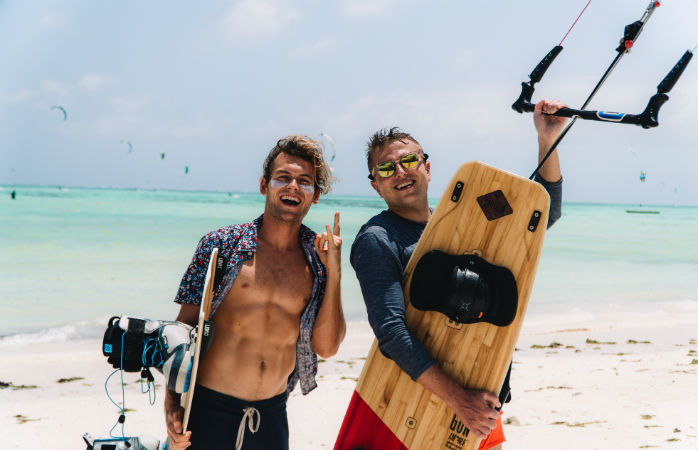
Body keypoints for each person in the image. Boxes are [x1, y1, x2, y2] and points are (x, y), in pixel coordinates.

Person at [350, 100, 566, 450]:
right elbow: (391, 332)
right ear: (376, 185)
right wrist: (459, 400)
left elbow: (543, 214)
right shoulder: (378, 239)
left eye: (408, 161)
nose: (401, 173)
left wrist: (547, 139)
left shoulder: (461, 224)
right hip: (412, 405)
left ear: (427, 167)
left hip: (480, 399)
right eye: (386, 169)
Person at [165, 135, 346, 450]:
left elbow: (327, 348)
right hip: (208, 410)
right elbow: (182, 330)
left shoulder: (316, 262)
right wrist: (171, 404)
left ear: (314, 196)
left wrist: (334, 272)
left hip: (270, 417)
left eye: (304, 182)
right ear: (265, 185)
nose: (293, 186)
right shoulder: (220, 245)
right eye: (283, 178)